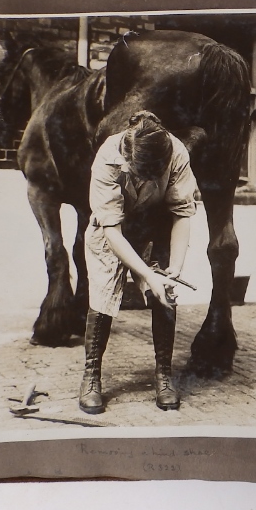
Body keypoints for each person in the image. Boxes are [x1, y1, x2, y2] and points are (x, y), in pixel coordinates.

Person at [78, 110, 198, 415]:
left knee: (165, 292)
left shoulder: (177, 153)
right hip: (114, 229)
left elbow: (182, 212)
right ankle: (91, 377)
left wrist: (175, 268)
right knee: (103, 295)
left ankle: (164, 376)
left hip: (156, 225)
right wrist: (145, 273)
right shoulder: (108, 156)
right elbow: (112, 231)